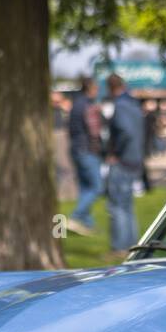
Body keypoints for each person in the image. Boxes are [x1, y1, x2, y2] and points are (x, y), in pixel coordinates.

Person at [103, 73, 144, 253]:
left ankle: (119, 246)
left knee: (117, 205)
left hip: (123, 159)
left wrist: (115, 153)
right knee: (127, 205)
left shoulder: (120, 106)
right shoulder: (134, 105)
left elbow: (125, 131)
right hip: (135, 158)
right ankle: (132, 244)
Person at [65, 76, 102, 235]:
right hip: (87, 149)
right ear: (91, 88)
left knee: (85, 187)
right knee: (97, 187)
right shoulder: (88, 105)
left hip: (75, 149)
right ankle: (75, 216)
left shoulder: (75, 103)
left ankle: (87, 224)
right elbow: (94, 130)